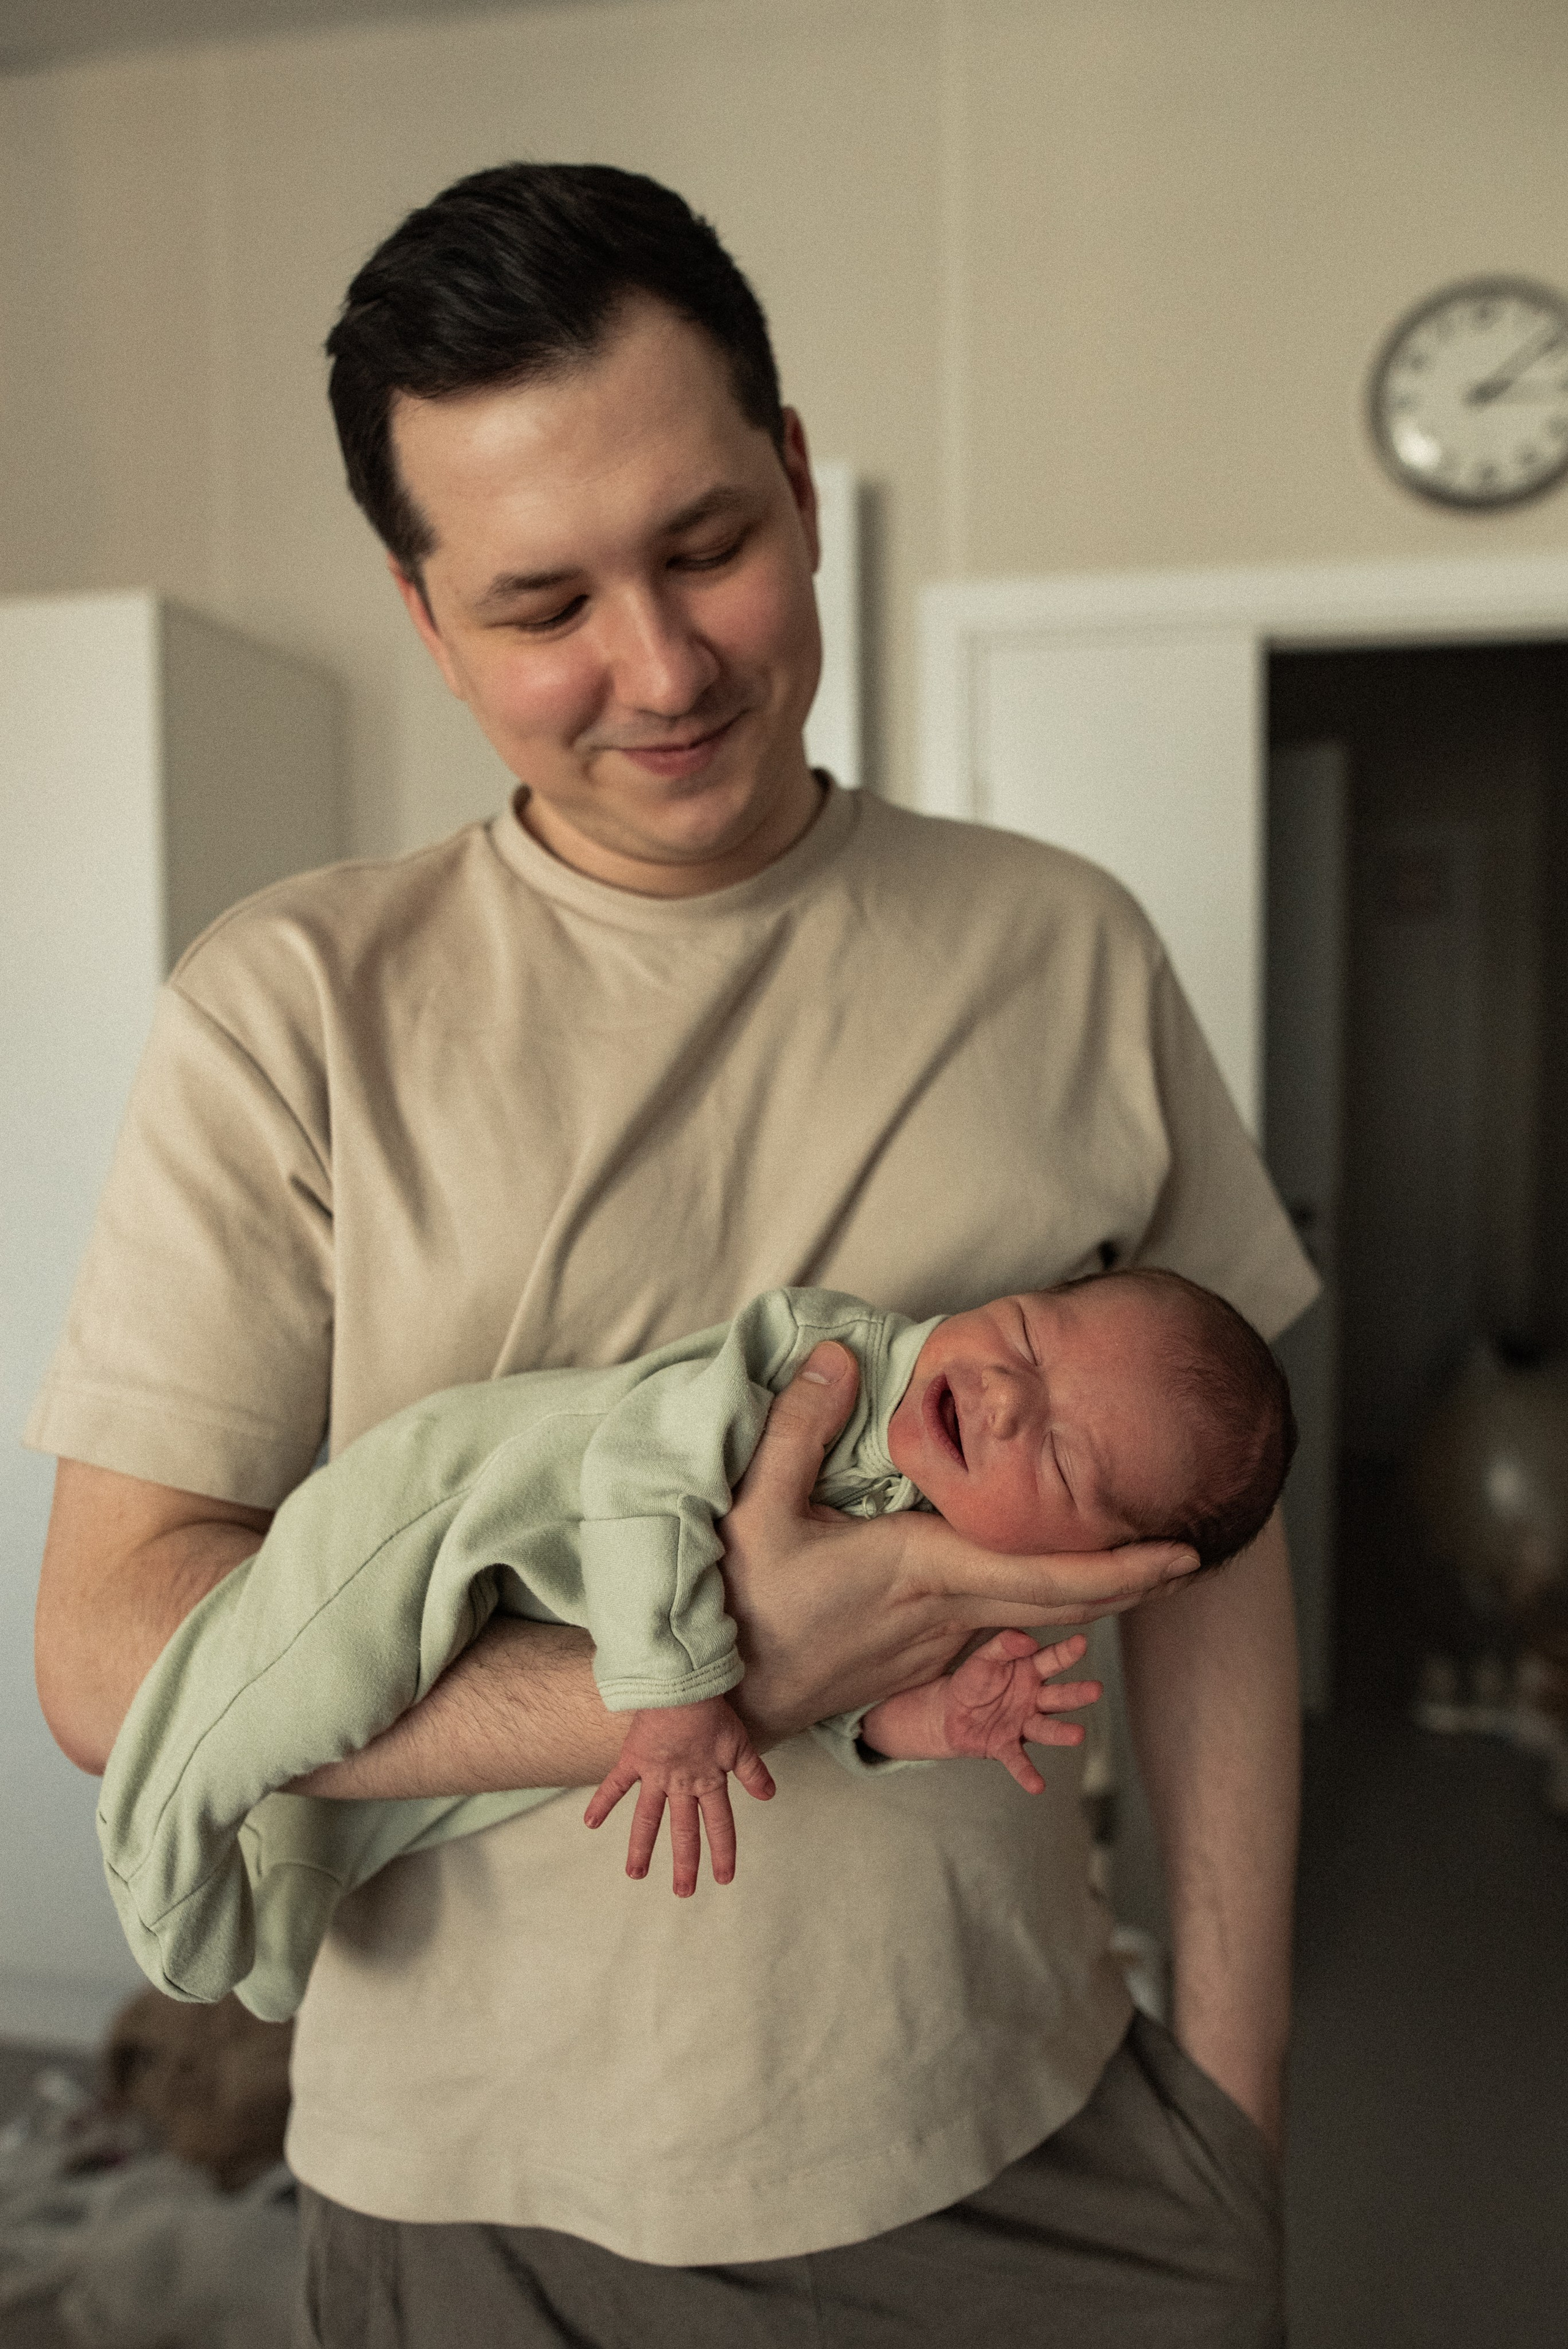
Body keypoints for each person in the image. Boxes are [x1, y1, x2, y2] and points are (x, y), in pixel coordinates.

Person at [31, 162, 1316, 2343]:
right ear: (423, 618)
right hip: (481, 2198)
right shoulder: (291, 1008)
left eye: (707, 545)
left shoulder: (1062, 943)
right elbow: (112, 1645)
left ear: (798, 482)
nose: (661, 665)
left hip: (1033, 2126)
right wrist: (718, 1673)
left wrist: (1233, 2101)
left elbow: (1220, 1553)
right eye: (540, 606)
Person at [98, 1269, 1295, 2019]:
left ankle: (267, 1911)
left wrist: (919, 1716)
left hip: (526, 1611)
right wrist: (674, 1693)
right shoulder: (830, 1356)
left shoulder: (938, 1546)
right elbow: (638, 1470)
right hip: (449, 1512)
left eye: (1060, 1456)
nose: (999, 1392)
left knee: (375, 1808)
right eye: (1028, 1332)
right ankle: (156, 1835)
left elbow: (819, 1680)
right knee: (290, 1683)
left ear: (1090, 1562)